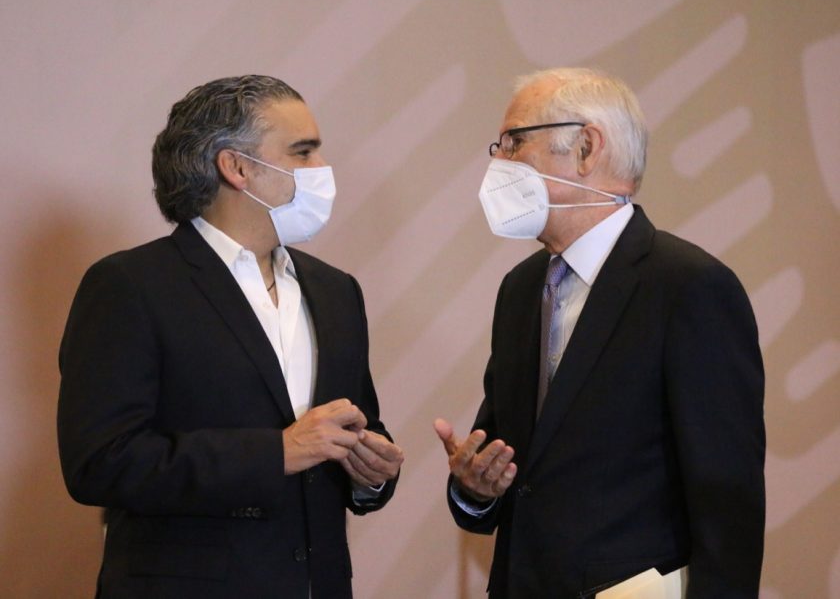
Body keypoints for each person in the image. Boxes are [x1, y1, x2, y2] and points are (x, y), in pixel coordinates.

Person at [58, 75, 403, 599]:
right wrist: (276, 451)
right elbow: (99, 463)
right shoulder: (130, 284)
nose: (322, 168)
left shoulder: (336, 290)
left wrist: (370, 473)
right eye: (303, 152)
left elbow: (354, 429)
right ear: (236, 167)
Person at [434, 68, 765, 598]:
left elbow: (727, 500)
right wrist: (474, 488)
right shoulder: (520, 289)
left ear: (586, 148)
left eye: (514, 142)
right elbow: (512, 471)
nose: (499, 163)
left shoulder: (688, 287)